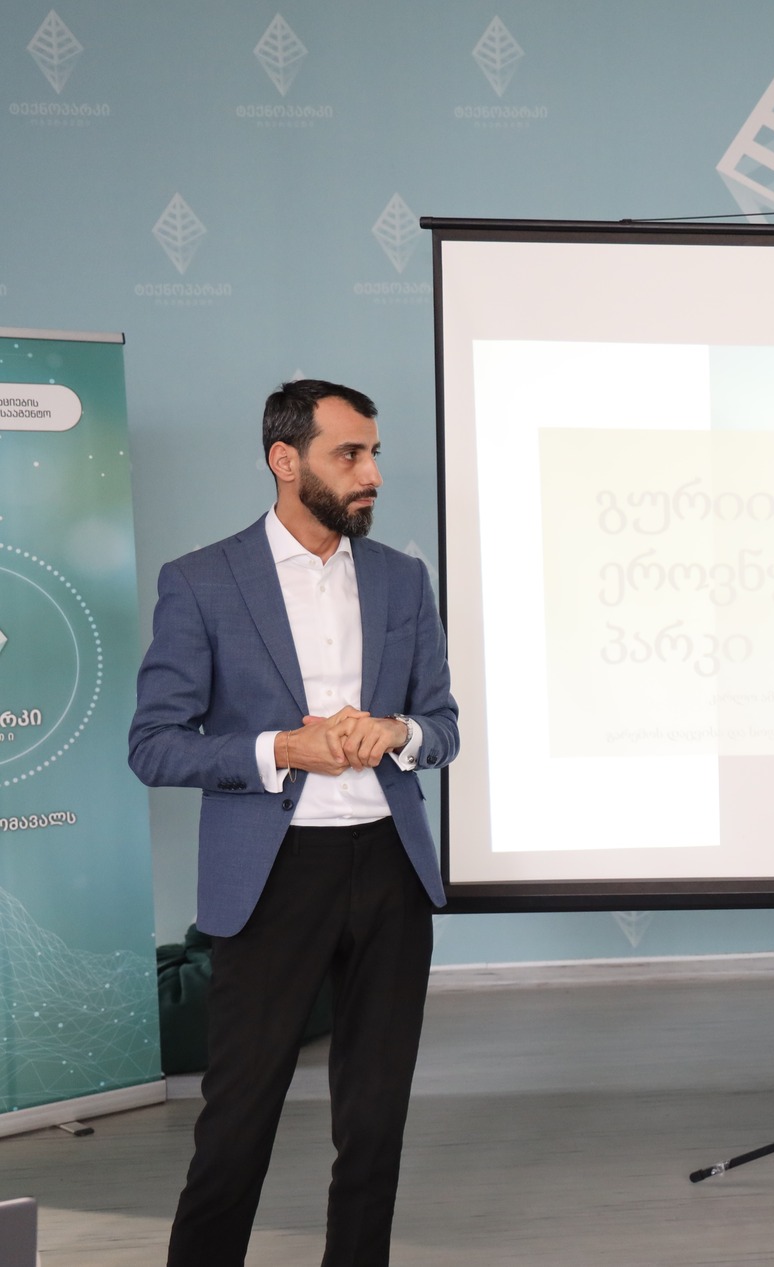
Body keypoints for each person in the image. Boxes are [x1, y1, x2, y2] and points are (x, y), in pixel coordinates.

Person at [130, 379, 459, 1267]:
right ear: (285, 460)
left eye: (374, 452)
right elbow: (154, 745)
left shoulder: (401, 578)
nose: (372, 473)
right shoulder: (202, 581)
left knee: (375, 1124)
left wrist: (397, 732)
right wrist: (283, 748)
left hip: (391, 870)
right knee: (237, 1125)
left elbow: (444, 725)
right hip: (271, 878)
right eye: (349, 453)